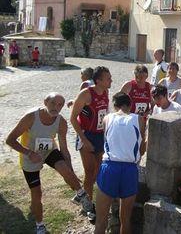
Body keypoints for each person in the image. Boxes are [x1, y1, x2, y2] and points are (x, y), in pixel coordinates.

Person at [6, 93, 96, 233]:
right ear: (45, 102)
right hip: (29, 156)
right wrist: (29, 153)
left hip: (48, 150)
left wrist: (71, 171)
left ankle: (82, 195)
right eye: (53, 103)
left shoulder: (61, 122)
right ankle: (40, 226)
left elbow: (64, 149)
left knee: (65, 169)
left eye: (60, 105)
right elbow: (10, 139)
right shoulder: (30, 117)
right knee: (37, 194)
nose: (56, 107)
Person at [95, 92, 146, 234]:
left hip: (110, 167)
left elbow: (107, 141)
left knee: (101, 222)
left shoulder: (107, 118)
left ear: (114, 105)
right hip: (130, 169)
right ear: (130, 105)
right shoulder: (139, 119)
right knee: (126, 220)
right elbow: (141, 149)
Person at [70, 66, 111, 203]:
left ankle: (82, 194)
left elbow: (104, 113)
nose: (111, 80)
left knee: (98, 170)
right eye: (108, 78)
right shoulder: (85, 94)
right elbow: (73, 118)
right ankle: (89, 205)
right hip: (86, 134)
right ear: (98, 80)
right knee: (89, 171)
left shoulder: (106, 92)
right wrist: (84, 140)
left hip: (100, 135)